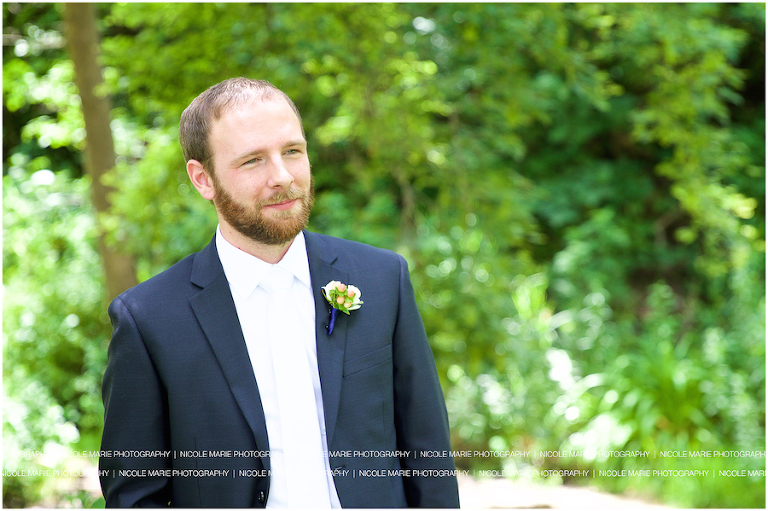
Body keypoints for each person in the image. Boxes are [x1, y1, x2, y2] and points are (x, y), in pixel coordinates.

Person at [99, 77, 460, 508]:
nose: (283, 177)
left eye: (292, 151)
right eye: (253, 161)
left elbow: (428, 456)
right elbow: (135, 494)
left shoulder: (382, 278)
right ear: (203, 179)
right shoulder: (148, 319)